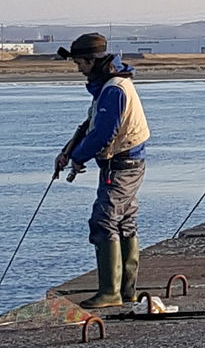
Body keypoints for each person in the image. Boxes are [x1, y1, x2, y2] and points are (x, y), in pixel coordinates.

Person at [54, 33, 149, 309]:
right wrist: (68, 152)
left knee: (104, 221)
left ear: (92, 61)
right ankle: (127, 291)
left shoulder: (114, 89)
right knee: (125, 221)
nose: (78, 68)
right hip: (127, 163)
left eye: (80, 63)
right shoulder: (111, 85)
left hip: (121, 165)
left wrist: (79, 157)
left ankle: (110, 292)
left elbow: (103, 134)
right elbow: (90, 125)